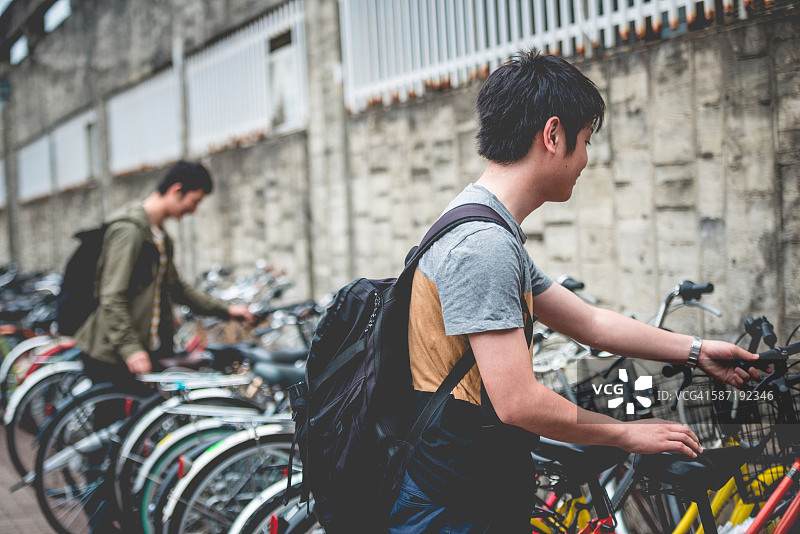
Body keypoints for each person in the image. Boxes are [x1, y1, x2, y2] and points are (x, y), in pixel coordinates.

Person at [387, 50, 760, 533]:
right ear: (553, 134)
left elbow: (588, 323)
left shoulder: (483, 223)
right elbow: (518, 402)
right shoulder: (483, 246)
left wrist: (697, 349)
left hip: (464, 489)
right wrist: (626, 435)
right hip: (454, 506)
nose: (585, 159)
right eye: (585, 141)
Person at [74, 160, 255, 387]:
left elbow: (177, 288)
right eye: (194, 201)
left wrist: (226, 310)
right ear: (176, 190)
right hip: (113, 353)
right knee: (121, 420)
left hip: (142, 350)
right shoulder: (130, 232)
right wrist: (131, 350)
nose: (193, 210)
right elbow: (112, 296)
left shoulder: (159, 236)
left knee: (147, 418)